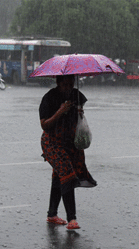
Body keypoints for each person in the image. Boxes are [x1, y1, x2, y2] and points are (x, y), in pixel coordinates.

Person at [39, 75, 97, 230]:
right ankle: (72, 219)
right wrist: (60, 111)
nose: (69, 87)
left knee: (59, 176)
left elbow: (79, 121)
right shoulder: (49, 98)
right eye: (65, 84)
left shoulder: (76, 95)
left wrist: (79, 112)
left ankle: (52, 215)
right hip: (52, 143)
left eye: (71, 84)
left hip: (70, 143)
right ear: (58, 83)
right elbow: (44, 125)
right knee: (67, 175)